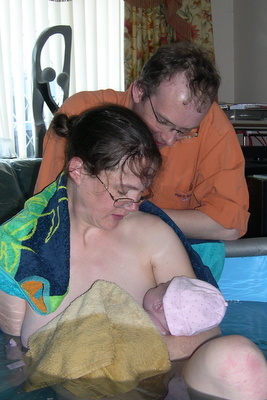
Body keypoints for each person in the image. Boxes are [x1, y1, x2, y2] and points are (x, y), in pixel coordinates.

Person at [0, 105, 266, 400]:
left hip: (169, 380)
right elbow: (13, 360)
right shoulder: (20, 253)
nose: (132, 205)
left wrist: (121, 351)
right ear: (78, 171)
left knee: (239, 358)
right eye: (122, 190)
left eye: (142, 193)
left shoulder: (152, 236)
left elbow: (204, 332)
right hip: (86, 391)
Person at [33, 42, 249, 241]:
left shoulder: (210, 122)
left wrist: (131, 212)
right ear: (139, 91)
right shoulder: (83, 111)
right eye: (162, 120)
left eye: (184, 131)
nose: (169, 139)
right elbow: (48, 211)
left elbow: (229, 226)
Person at [143, 276, 227, 336]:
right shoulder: (169, 337)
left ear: (158, 306)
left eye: (158, 286)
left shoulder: (144, 320)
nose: (160, 283)